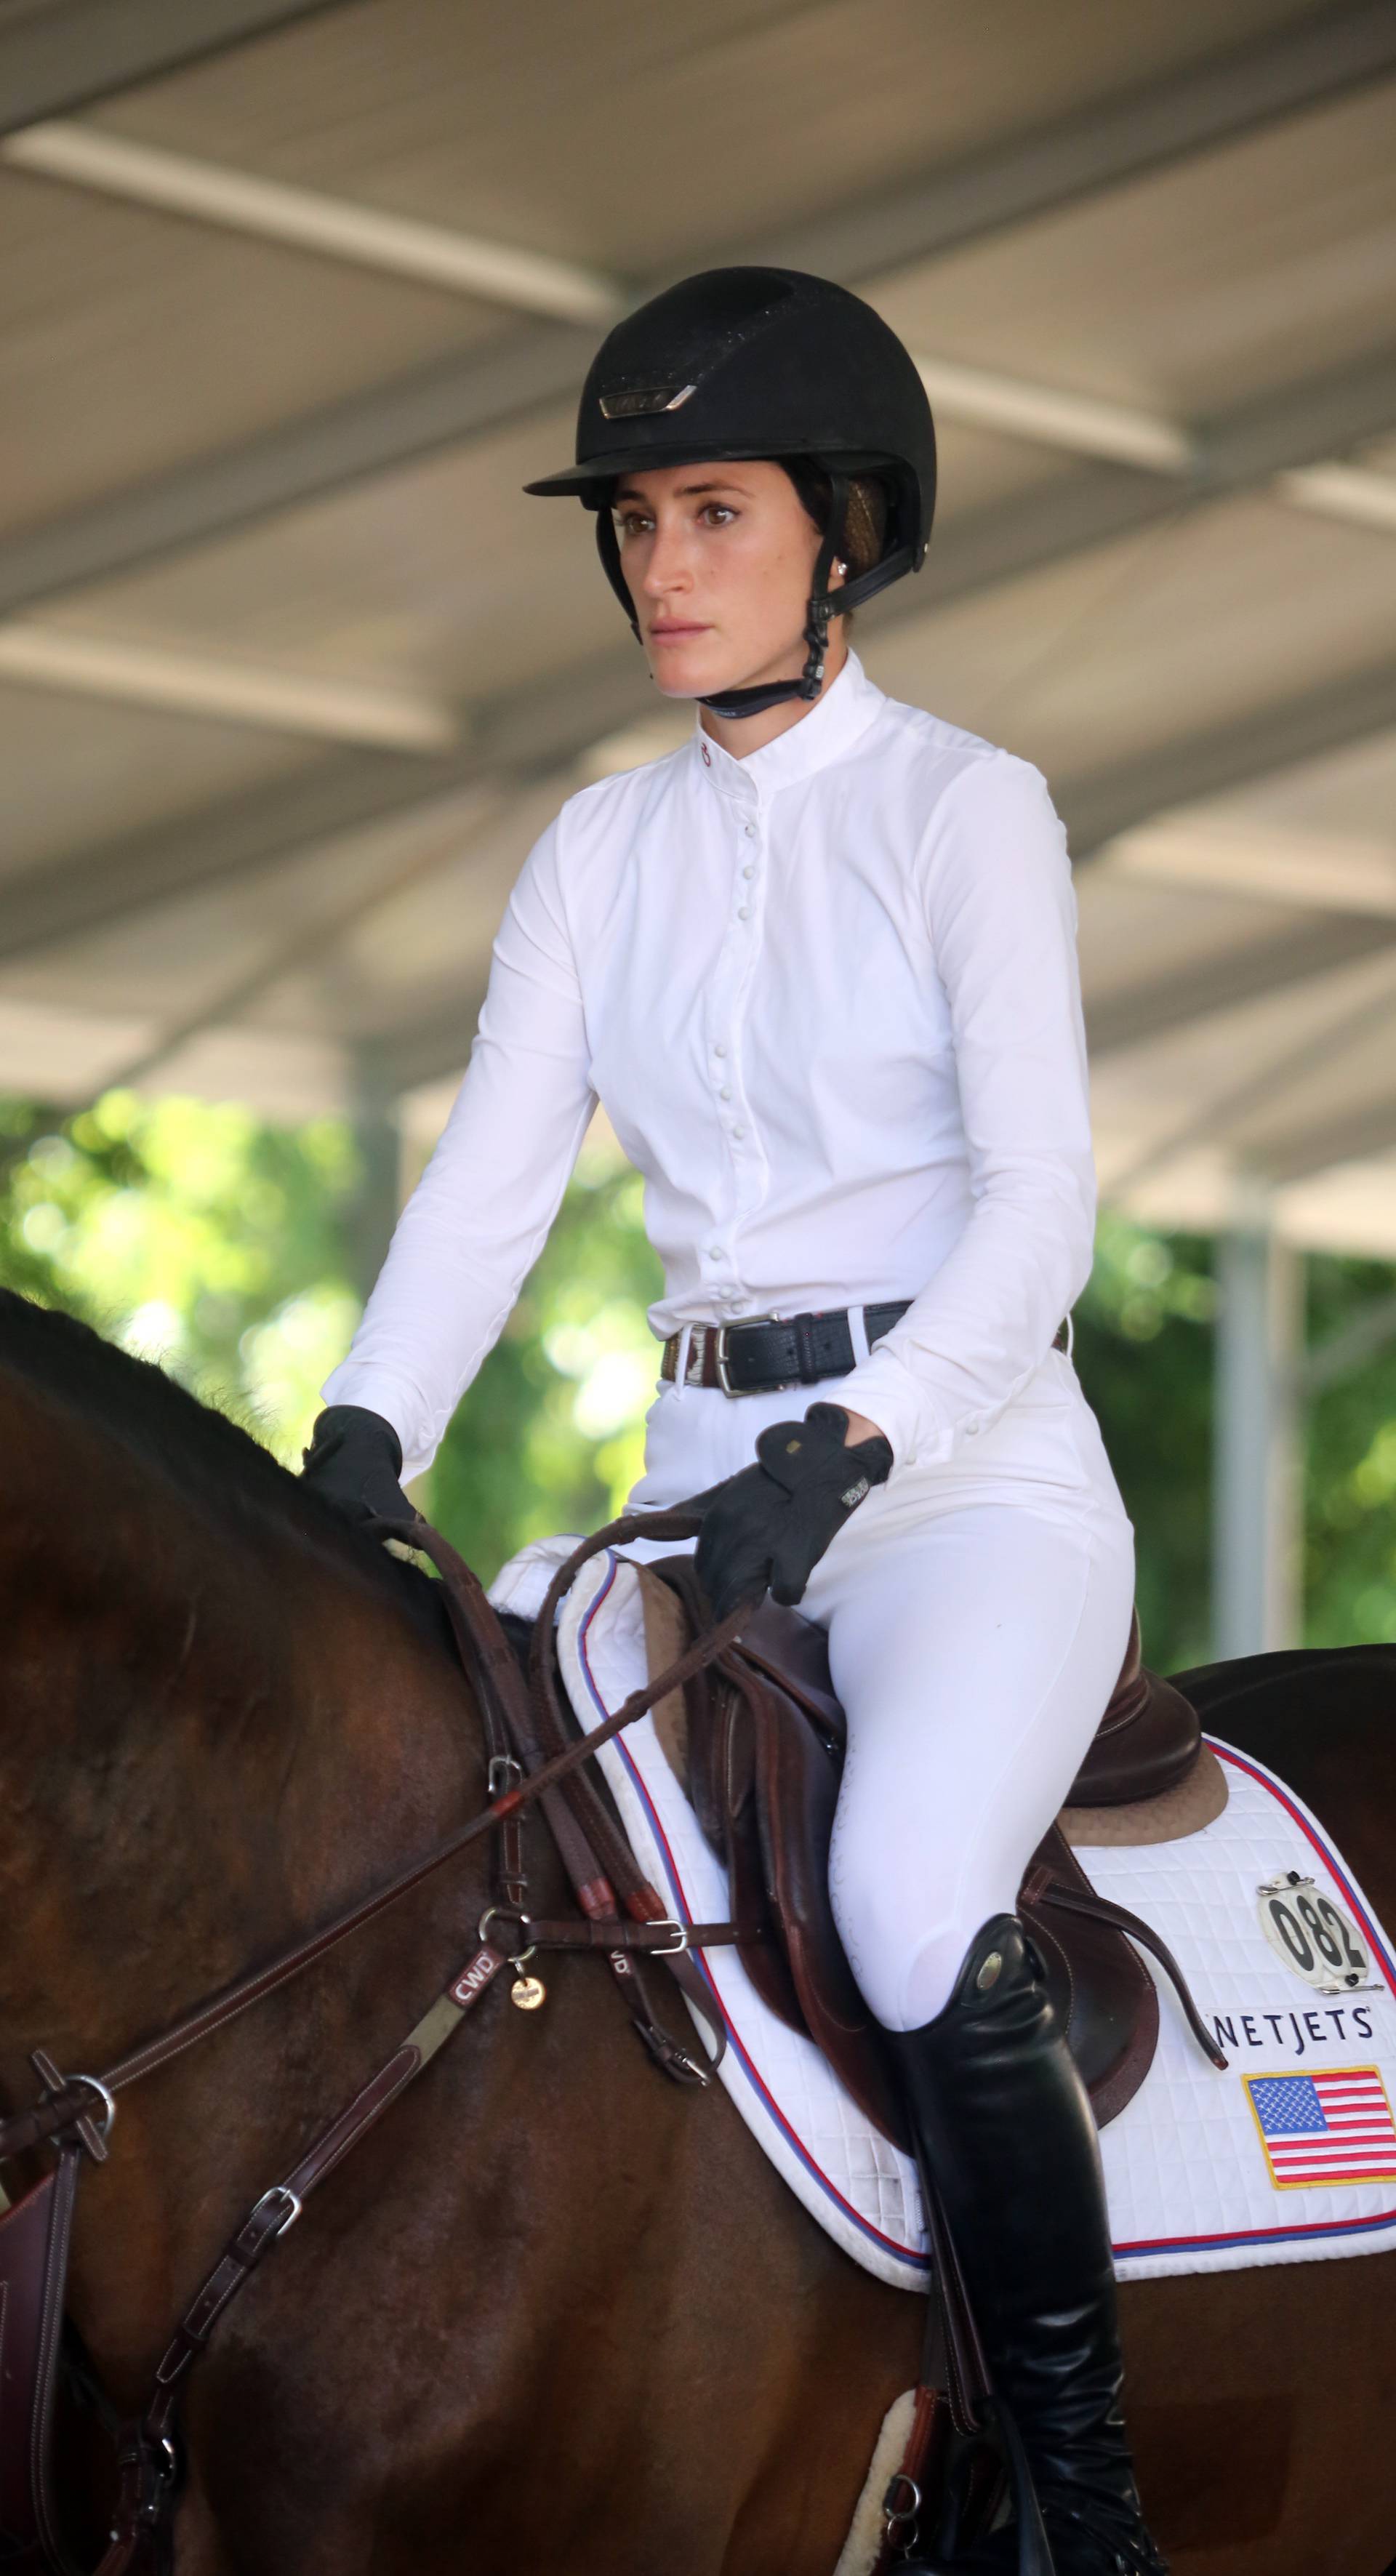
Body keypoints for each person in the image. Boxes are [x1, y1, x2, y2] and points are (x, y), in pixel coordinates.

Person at [303, 268, 1163, 2576]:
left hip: (966, 1492)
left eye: (712, 511)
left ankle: (1079, 2512)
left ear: (843, 535)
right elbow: (487, 1191)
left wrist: (861, 1443)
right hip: (697, 1501)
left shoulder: (974, 812)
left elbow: (1045, 1214)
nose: (660, 567)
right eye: (634, 522)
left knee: (897, 1897)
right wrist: (364, 1430)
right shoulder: (594, 853)